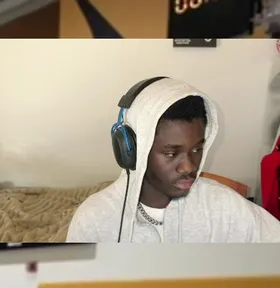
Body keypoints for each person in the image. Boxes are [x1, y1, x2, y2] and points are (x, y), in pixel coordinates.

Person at [67, 78, 280, 244]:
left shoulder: (225, 206)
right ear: (133, 151)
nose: (189, 166)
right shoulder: (94, 220)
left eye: (197, 149)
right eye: (171, 153)